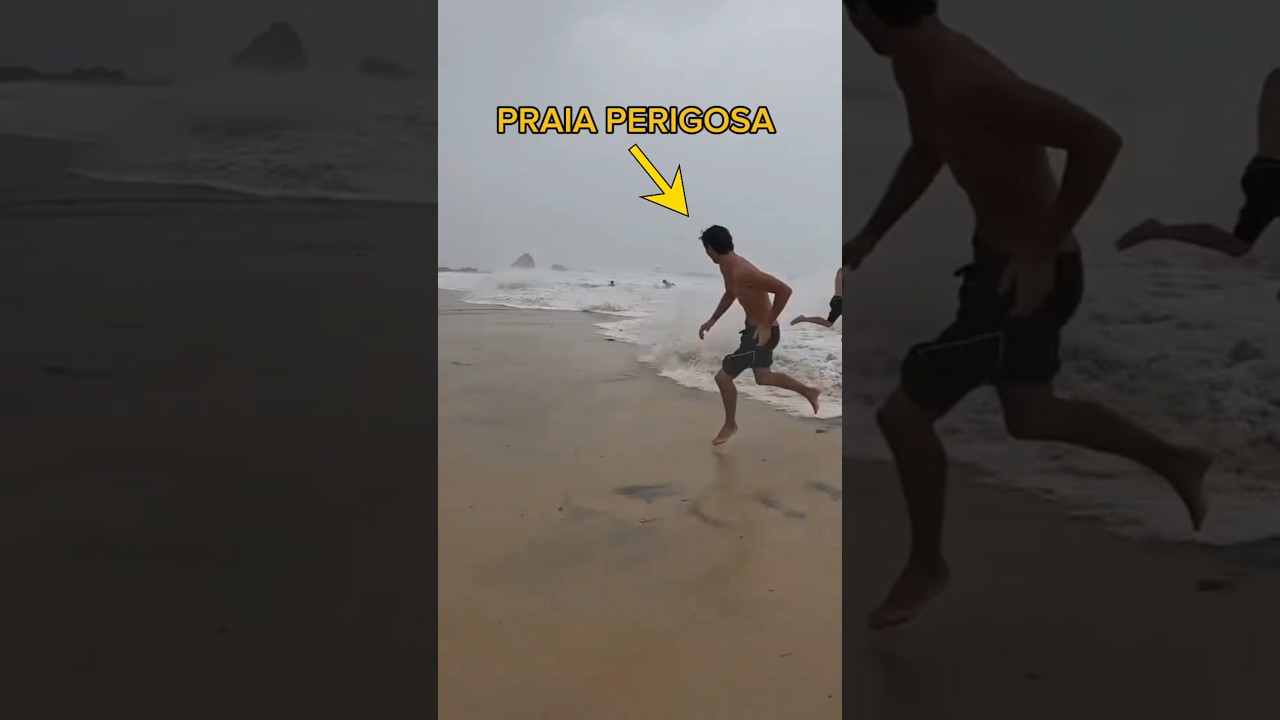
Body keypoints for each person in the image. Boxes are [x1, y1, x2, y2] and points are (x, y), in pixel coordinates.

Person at [843, 0, 1211, 630]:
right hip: (998, 271)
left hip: (1028, 282)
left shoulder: (968, 79)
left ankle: (928, 565)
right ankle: (1175, 460)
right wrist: (871, 234)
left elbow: (1098, 140)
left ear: (870, 11)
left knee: (903, 416)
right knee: (1032, 415)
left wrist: (1040, 247)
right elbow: (926, 150)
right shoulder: (916, 64)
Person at [1116, 68, 1280, 256]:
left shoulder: (1274, 79)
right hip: (1272, 175)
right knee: (1238, 246)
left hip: (1263, 173)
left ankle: (1156, 230)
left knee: (1237, 246)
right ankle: (1156, 230)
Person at [697, 225, 821, 444]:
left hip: (762, 334)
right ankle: (808, 391)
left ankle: (730, 425)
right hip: (754, 331)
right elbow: (730, 293)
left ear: (710, 249)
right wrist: (713, 319)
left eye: (706, 249)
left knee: (722, 377)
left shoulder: (743, 271)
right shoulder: (727, 268)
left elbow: (784, 290)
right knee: (763, 377)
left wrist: (766, 323)